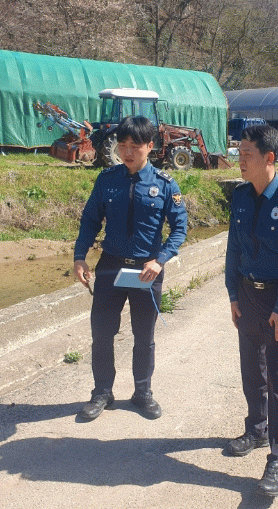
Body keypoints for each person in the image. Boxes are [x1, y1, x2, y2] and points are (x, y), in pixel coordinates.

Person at [73, 116, 187, 421]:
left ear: (150, 146)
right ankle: (102, 393)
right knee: (102, 333)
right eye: (122, 145)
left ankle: (142, 393)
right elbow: (90, 220)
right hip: (111, 268)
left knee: (143, 336)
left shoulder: (165, 184)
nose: (127, 152)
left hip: (146, 271)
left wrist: (160, 260)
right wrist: (80, 256)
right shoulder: (107, 179)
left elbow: (179, 228)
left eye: (135, 146)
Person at [224, 124, 278, 497]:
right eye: (239, 152)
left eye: (247, 153)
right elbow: (233, 249)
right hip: (247, 295)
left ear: (269, 157)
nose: (240, 159)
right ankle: (256, 429)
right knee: (251, 371)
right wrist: (233, 294)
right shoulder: (241, 196)